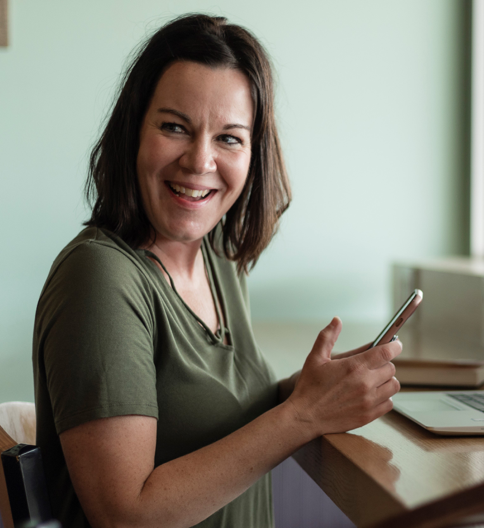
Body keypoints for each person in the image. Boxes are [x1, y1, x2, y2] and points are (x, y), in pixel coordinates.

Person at [32, 13, 402, 528]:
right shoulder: (99, 277)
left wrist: (314, 390)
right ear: (134, 133)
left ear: (254, 154)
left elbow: (222, 416)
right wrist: (302, 415)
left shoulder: (220, 258)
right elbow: (126, 515)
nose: (199, 160)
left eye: (229, 138)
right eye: (174, 127)